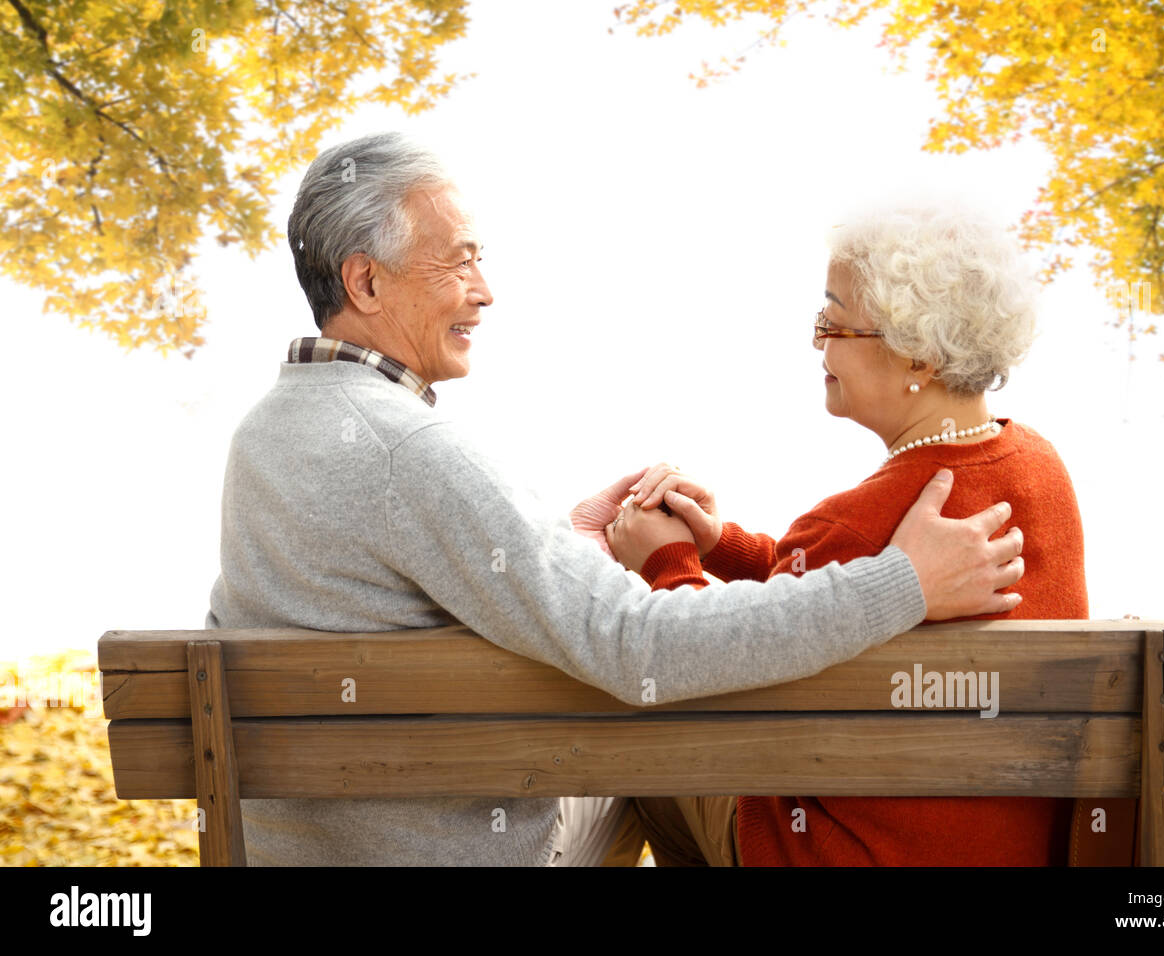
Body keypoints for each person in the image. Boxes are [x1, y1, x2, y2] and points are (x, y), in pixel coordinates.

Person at [205, 132, 1026, 866]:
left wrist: (560, 545)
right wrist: (902, 584)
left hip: (302, 849)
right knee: (653, 754)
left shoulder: (265, 435)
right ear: (365, 282)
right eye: (458, 261)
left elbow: (376, 589)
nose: (485, 290)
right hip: (456, 852)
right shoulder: (414, 449)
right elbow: (641, 650)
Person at [608, 198, 1087, 866]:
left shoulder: (855, 523)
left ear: (918, 355)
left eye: (833, 324)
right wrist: (723, 545)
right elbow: (827, 592)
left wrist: (668, 562)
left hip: (843, 853)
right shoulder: (1037, 466)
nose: (816, 344)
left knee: (638, 749)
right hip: (1010, 846)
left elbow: (712, 662)